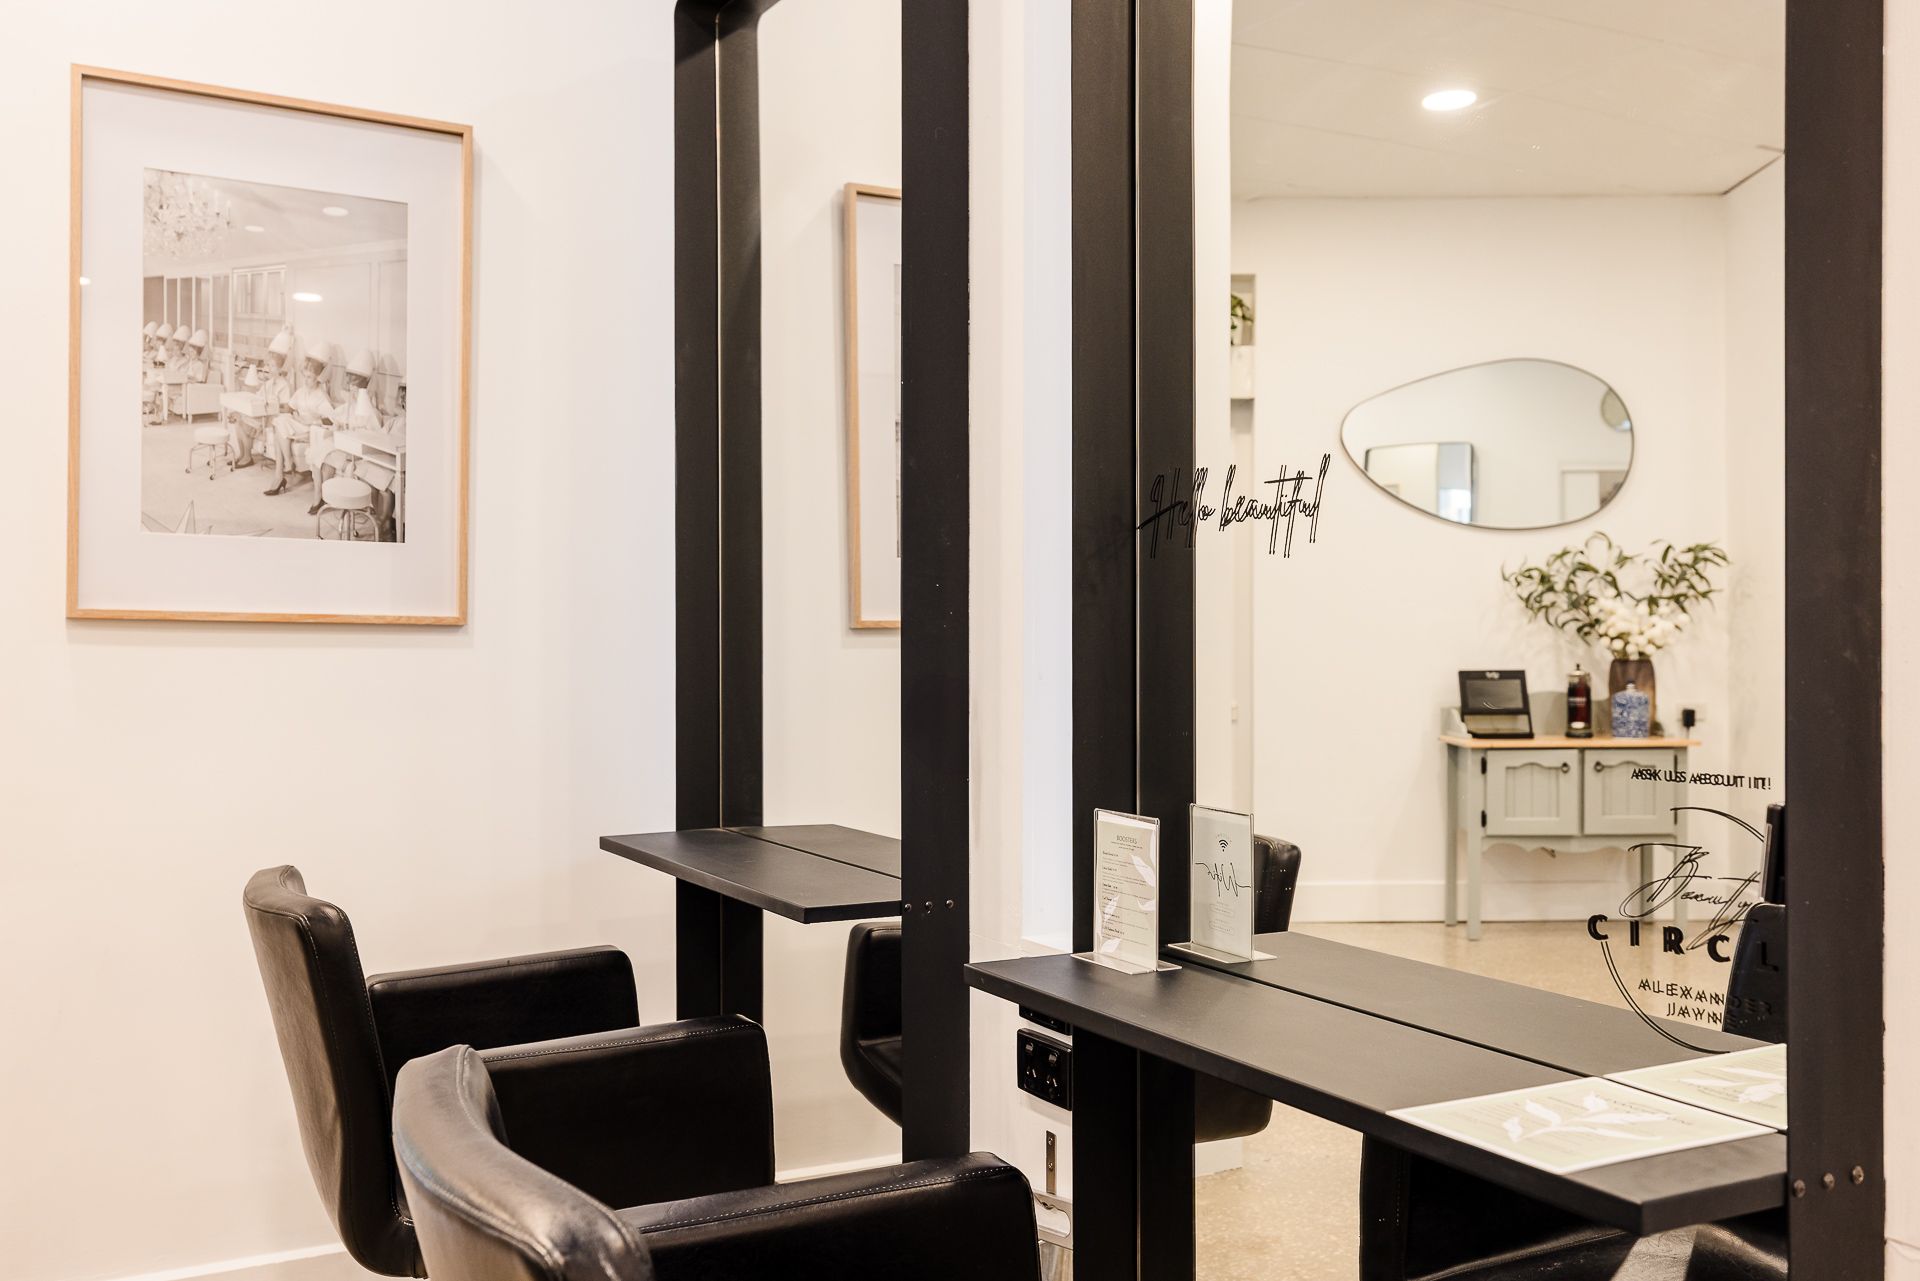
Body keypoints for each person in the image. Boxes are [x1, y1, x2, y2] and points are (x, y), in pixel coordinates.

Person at [264, 342, 340, 497]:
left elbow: (332, 420)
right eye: (304, 376)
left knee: (280, 428)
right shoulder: (301, 391)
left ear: (318, 378)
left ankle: (281, 473)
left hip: (310, 429)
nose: (306, 380)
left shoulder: (321, 396)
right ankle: (288, 462)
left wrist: (312, 421)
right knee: (279, 420)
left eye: (309, 377)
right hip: (298, 425)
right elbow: (289, 408)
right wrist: (272, 405)